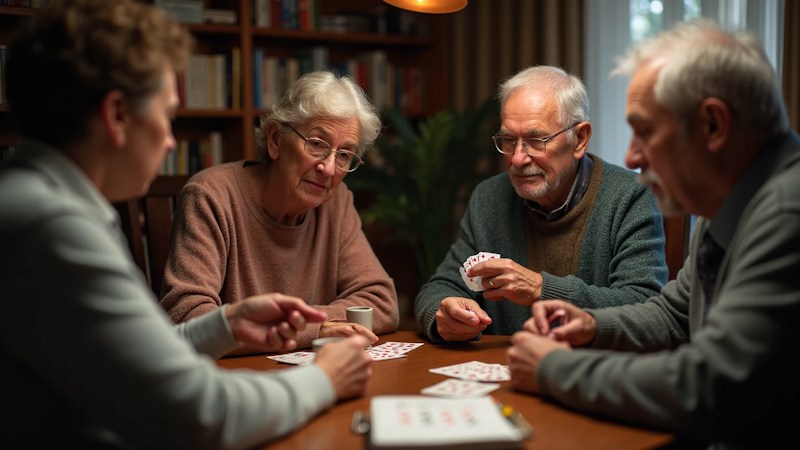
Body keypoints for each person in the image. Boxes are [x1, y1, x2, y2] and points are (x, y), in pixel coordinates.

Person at [0, 1, 372, 448]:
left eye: (344, 155)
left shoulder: (37, 200)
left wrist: (227, 324)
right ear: (117, 115)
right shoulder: (53, 227)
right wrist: (325, 378)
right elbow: (203, 413)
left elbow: (136, 358)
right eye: (167, 115)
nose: (171, 141)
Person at [507, 19, 800, 449]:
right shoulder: (727, 205)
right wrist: (591, 325)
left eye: (644, 131)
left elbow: (709, 387)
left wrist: (553, 369)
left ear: (713, 126)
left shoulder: (787, 212)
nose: (631, 156)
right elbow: (673, 316)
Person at [415, 65, 668, 343]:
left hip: (592, 365)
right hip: (506, 364)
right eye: (508, 140)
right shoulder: (489, 197)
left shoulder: (630, 196)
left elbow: (645, 307)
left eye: (536, 140)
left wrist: (540, 289)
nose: (518, 158)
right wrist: (444, 313)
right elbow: (440, 286)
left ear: (580, 139)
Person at [159, 70, 399, 353]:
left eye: (344, 155)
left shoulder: (336, 203)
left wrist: (297, 327)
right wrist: (313, 329)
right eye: (317, 144)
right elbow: (188, 318)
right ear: (275, 140)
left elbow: (381, 302)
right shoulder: (211, 196)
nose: (329, 168)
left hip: (310, 371)